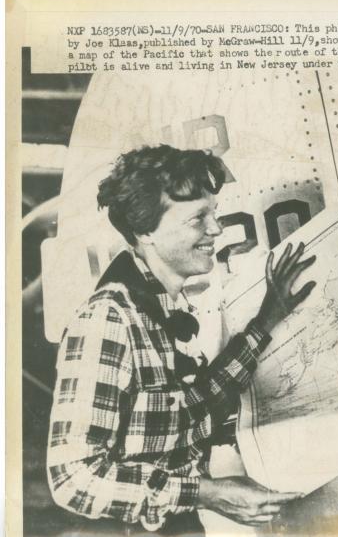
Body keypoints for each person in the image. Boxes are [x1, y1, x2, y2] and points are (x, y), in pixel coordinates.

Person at [46, 145, 316, 535]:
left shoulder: (163, 308)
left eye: (214, 213)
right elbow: (72, 479)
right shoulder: (109, 320)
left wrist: (266, 320)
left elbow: (194, 408)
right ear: (145, 231)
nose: (216, 230)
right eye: (197, 219)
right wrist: (205, 493)